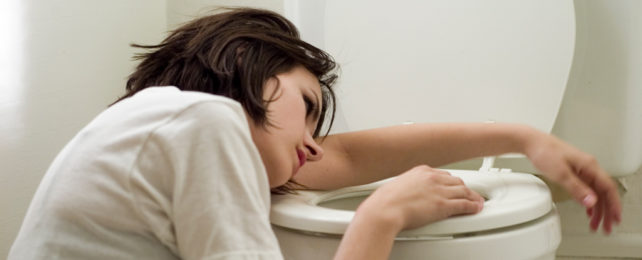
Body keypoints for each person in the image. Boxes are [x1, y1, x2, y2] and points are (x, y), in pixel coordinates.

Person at [9, 7, 620, 260]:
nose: (312, 142)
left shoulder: (167, 125)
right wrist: (378, 218)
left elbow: (345, 155)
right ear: (244, 65)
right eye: (306, 105)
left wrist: (522, 135)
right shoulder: (207, 120)